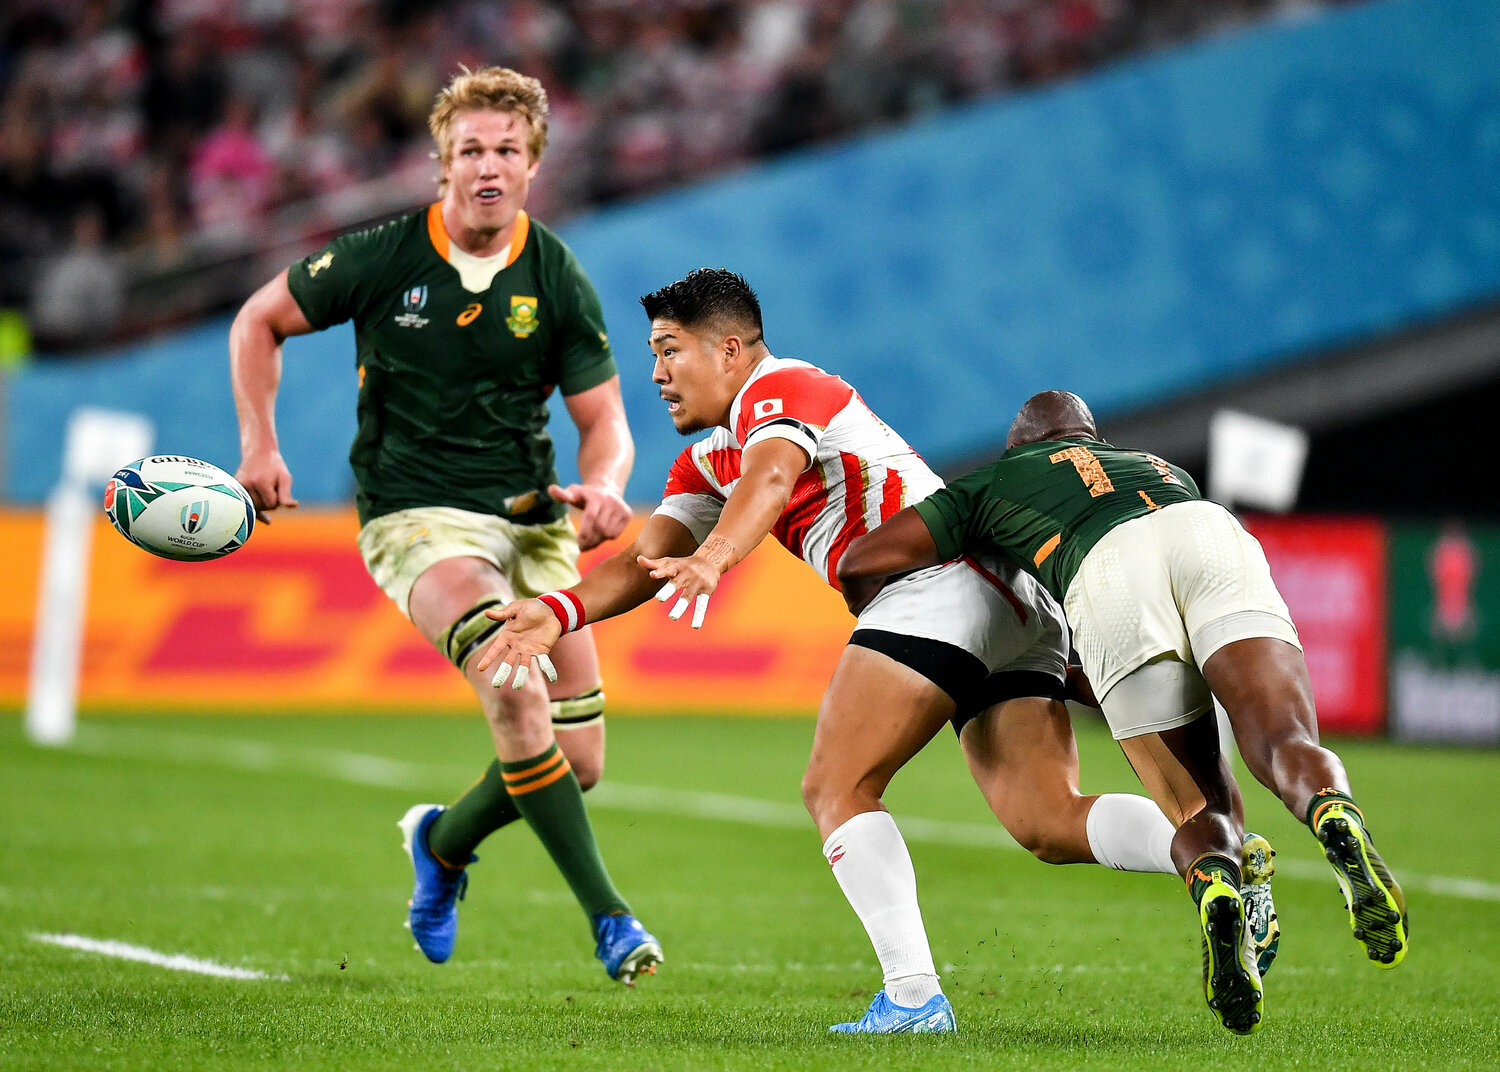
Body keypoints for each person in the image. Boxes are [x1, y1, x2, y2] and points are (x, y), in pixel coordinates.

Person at [474, 268, 1274, 1033]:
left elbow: (772, 479)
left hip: (938, 586)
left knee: (837, 785)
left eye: (669, 349)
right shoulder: (707, 459)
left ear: (730, 349)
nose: (656, 373)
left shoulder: (783, 388)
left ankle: (913, 998)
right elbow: (641, 561)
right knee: (1047, 820)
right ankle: (1216, 856)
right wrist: (555, 610)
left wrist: (715, 557)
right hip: (1012, 602)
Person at [228, 65, 661, 985]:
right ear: (443, 165)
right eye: (471, 150)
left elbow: (606, 421)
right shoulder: (385, 256)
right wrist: (259, 444)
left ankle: (442, 842)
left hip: (532, 521)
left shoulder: (555, 273)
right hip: (414, 516)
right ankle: (612, 920)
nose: (488, 166)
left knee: (579, 761)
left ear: (533, 165)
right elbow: (258, 320)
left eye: (507, 149)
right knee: (514, 686)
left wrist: (605, 485)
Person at [837, 389, 1409, 1035]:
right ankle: (1333, 813)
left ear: (1019, 446)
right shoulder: (1161, 467)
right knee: (1283, 740)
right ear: (1094, 439)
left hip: (1104, 568)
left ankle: (1219, 886)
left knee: (1199, 808)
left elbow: (864, 559)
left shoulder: (996, 478)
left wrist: (877, 612)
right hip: (1208, 528)